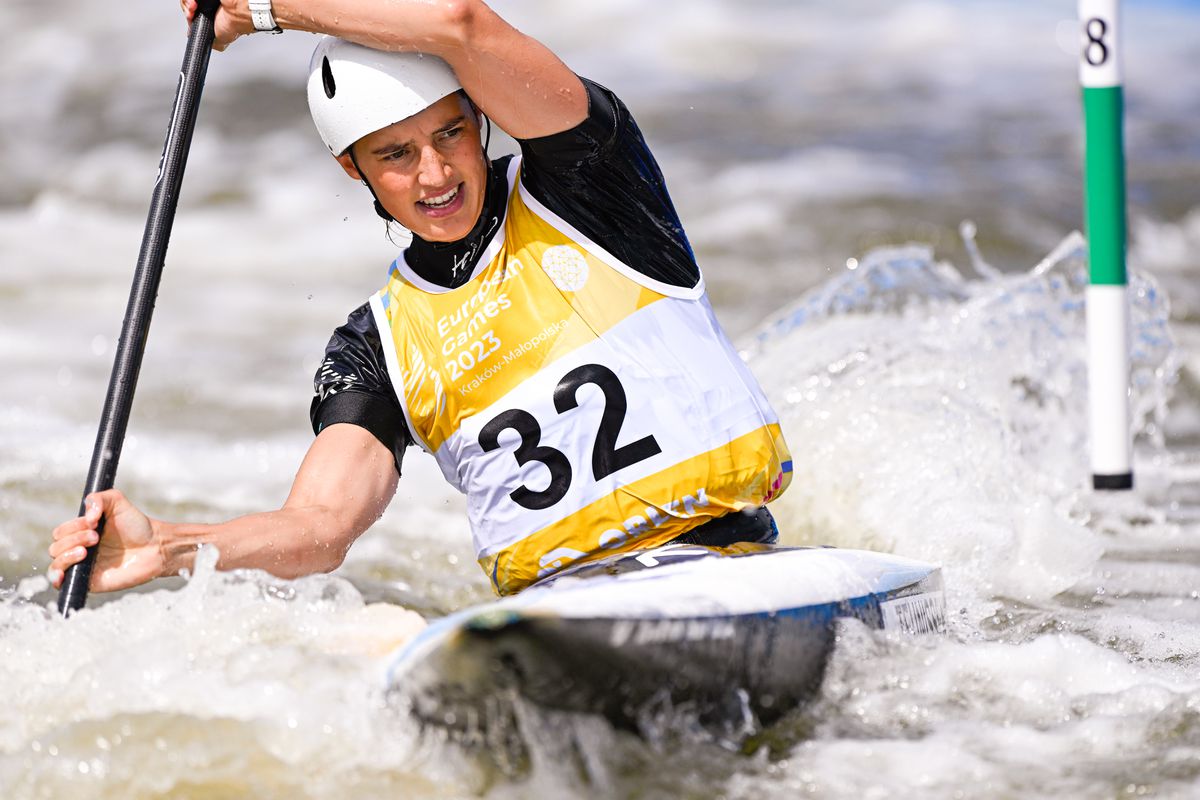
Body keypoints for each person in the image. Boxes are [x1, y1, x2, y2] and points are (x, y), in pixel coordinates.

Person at [49, 0, 792, 597]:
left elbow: (461, 22)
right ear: (353, 170)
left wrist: (266, 10)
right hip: (564, 616)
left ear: (481, 119)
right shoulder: (377, 345)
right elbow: (321, 526)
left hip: (728, 564)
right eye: (396, 155)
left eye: (450, 134)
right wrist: (169, 546)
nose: (435, 174)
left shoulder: (591, 183)